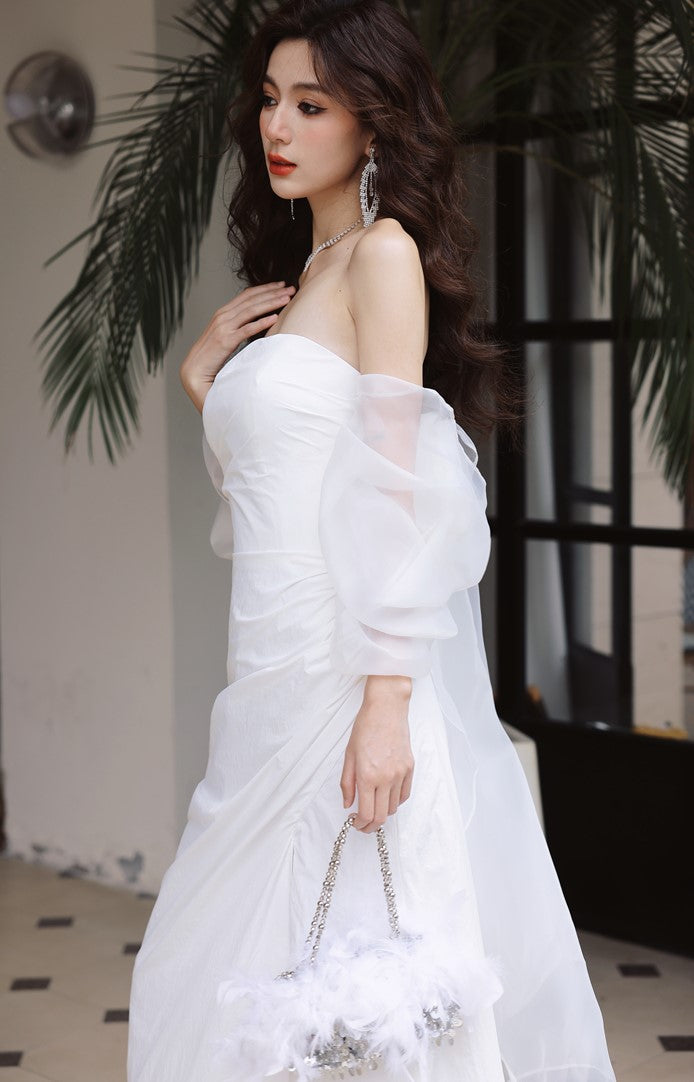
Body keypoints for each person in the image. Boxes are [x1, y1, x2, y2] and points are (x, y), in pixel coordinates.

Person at [127, 2, 617, 1080]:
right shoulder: (310, 270)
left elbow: (402, 488)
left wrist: (387, 701)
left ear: (375, 122)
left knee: (364, 965)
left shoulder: (382, 256)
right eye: (270, 100)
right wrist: (204, 382)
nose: (278, 126)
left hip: (346, 668)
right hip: (268, 668)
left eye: (311, 104)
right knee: (246, 947)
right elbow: (276, 495)